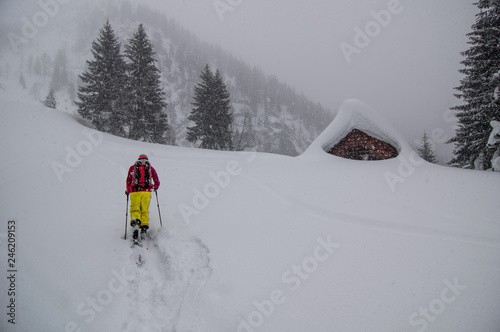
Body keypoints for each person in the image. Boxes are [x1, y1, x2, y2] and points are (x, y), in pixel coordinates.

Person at [126, 154, 160, 240]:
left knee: (135, 208)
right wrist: (155, 187)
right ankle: (144, 228)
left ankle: (136, 223)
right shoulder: (150, 169)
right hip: (146, 192)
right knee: (145, 210)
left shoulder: (133, 168)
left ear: (138, 160)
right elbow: (156, 181)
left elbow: (128, 180)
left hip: (135, 192)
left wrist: (128, 190)